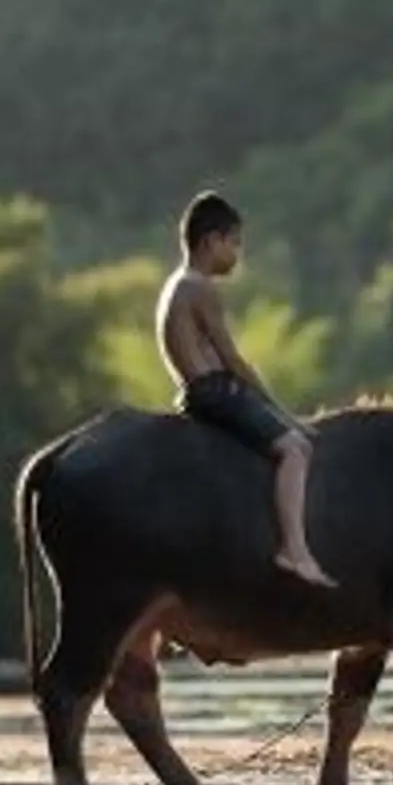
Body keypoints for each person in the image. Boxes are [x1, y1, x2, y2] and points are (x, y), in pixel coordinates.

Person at [156, 190, 336, 588]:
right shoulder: (199, 287)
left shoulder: (175, 285)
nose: (237, 255)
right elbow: (232, 359)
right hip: (213, 391)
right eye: (234, 243)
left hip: (193, 391)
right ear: (211, 242)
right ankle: (295, 549)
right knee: (296, 449)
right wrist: (280, 411)